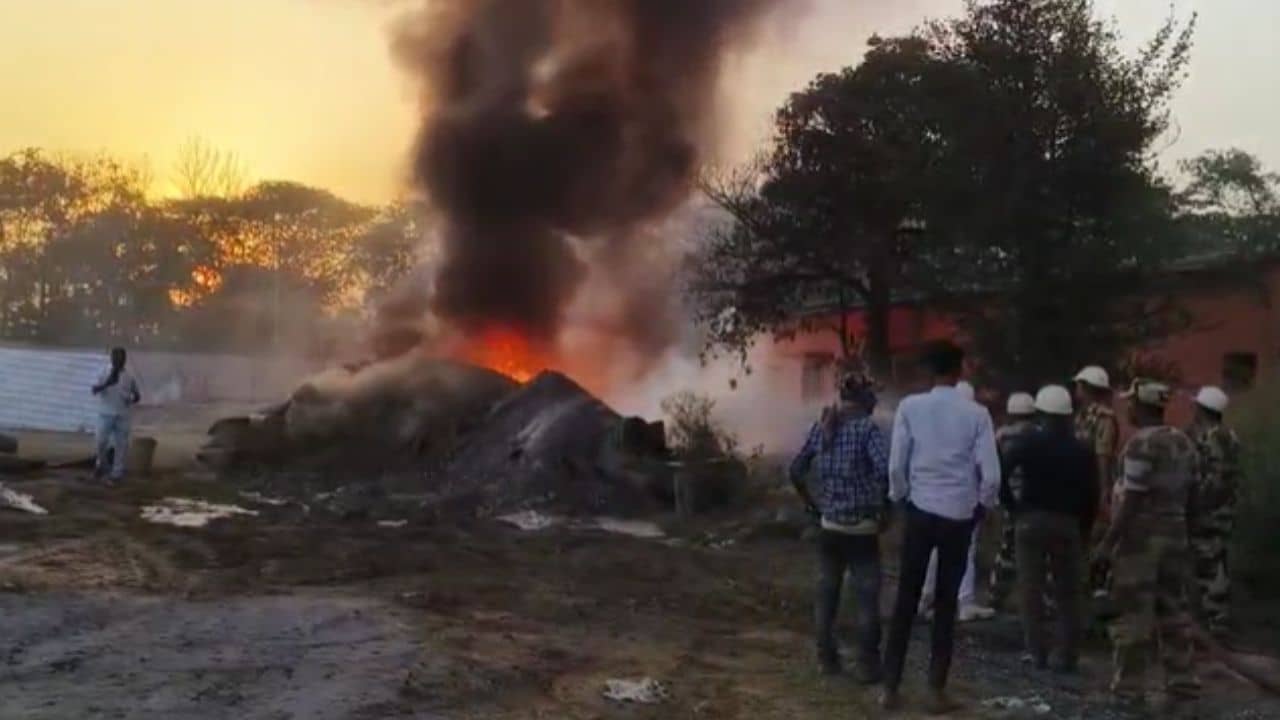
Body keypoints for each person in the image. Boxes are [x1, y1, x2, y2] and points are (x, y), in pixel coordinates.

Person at [881, 341, 1000, 714]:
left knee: (906, 598)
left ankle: (890, 688)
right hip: (958, 516)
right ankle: (935, 690)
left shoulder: (910, 407)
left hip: (920, 510)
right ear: (960, 370)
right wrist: (982, 505)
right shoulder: (977, 414)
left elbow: (897, 465)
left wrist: (900, 498)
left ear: (928, 371)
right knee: (946, 604)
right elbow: (991, 475)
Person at [1097, 380, 1200, 715]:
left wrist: (1107, 543)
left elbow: (1133, 500)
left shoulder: (1141, 444)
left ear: (1141, 406)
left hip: (1140, 541)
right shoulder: (1184, 443)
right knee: (1174, 612)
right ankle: (1183, 686)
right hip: (1175, 535)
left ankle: (1128, 692)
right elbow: (1195, 494)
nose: (1127, 408)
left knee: (1133, 615)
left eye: (1131, 403)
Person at [788, 370, 889, 683]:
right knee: (867, 598)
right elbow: (886, 472)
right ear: (864, 399)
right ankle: (866, 664)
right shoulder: (868, 430)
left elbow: (796, 470)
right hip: (862, 529)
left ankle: (826, 660)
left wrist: (812, 504)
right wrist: (885, 509)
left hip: (829, 526)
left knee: (827, 594)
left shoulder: (822, 428)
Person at [1001, 385, 1099, 672]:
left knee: (1031, 588)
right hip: (1067, 523)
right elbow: (1092, 493)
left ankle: (1036, 653)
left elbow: (1000, 472)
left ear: (1041, 413)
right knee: (1068, 593)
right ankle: (1067, 656)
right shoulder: (1082, 449)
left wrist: (1013, 508)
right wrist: (1085, 529)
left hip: (1030, 521)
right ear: (1068, 415)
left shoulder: (1029, 443)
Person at [918, 380, 996, 622]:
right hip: (964, 500)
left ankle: (924, 598)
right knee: (965, 549)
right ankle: (964, 602)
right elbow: (988, 473)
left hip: (930, 500)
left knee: (933, 550)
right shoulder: (974, 425)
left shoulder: (934, 426)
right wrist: (986, 502)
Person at [1186, 386, 1241, 637]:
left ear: (1202, 410)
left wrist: (1198, 504)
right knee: (1218, 566)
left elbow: (1215, 479)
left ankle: (1213, 628)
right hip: (1225, 512)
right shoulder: (1231, 435)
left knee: (1206, 568)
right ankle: (1217, 623)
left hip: (1209, 513)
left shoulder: (1211, 437)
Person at [988, 392, 1038, 613]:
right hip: (1034, 498)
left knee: (1008, 547)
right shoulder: (1039, 434)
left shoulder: (1001, 435)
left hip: (1010, 496)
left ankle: (996, 594)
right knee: (1038, 551)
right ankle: (1042, 598)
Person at [90, 347, 141, 483]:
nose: (119, 361)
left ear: (125, 360)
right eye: (116, 358)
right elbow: (94, 389)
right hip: (105, 413)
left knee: (121, 445)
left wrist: (130, 398)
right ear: (111, 358)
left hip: (123, 415)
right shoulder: (103, 372)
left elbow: (137, 396)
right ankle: (101, 465)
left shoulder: (129, 376)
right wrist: (107, 383)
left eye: (121, 359)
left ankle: (117, 472)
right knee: (101, 441)